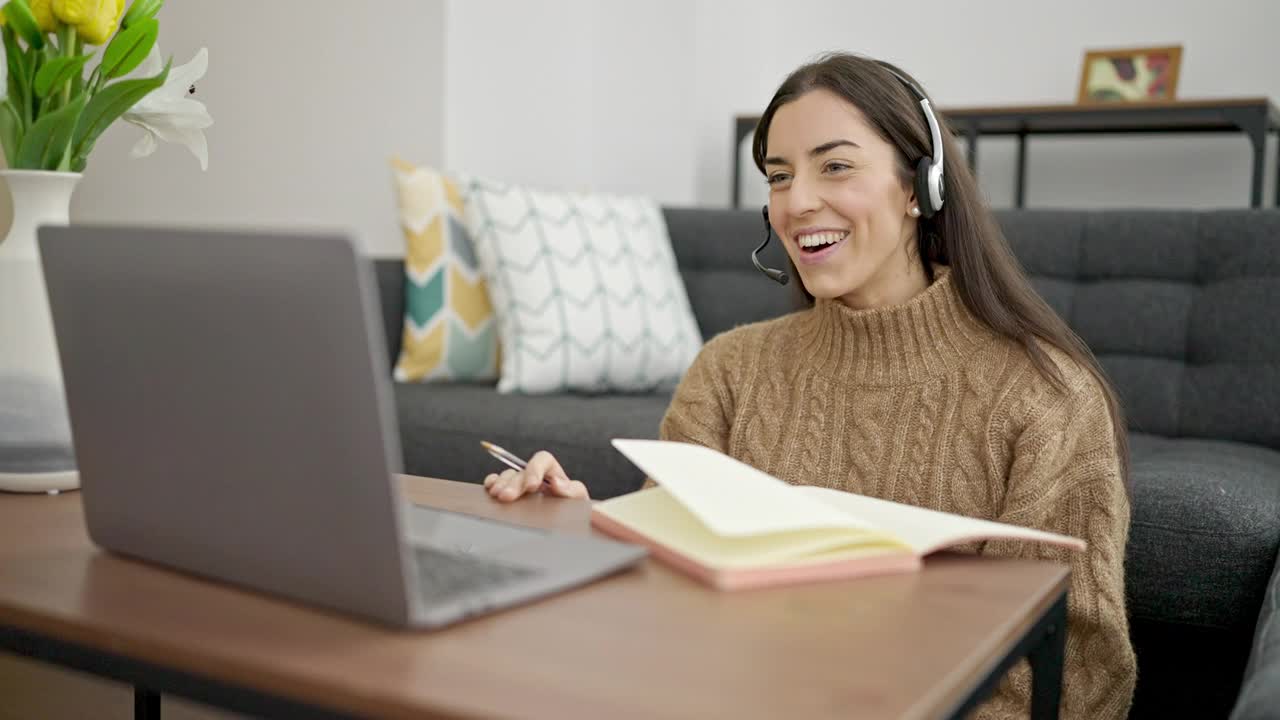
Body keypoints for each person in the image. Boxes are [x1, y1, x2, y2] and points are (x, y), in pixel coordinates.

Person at [482, 52, 1136, 719]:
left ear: (920, 187)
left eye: (836, 166)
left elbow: (1076, 681)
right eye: (779, 176)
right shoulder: (729, 371)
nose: (797, 203)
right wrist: (578, 530)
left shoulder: (1046, 397)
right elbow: (664, 597)